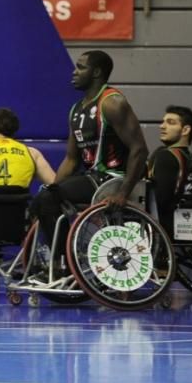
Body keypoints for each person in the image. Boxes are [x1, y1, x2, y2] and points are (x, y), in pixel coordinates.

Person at [29, 50, 148, 261]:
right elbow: (71, 159)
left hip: (112, 178)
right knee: (41, 199)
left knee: (46, 199)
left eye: (81, 67)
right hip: (91, 177)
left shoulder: (113, 103)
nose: (74, 72)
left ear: (97, 72)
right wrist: (54, 187)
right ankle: (64, 255)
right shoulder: (76, 109)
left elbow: (139, 149)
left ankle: (65, 260)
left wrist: (122, 192)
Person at [147, 105, 192, 235]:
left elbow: (159, 200)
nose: (162, 126)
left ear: (185, 130)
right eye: (163, 122)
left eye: (170, 123)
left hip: (166, 230)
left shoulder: (164, 156)